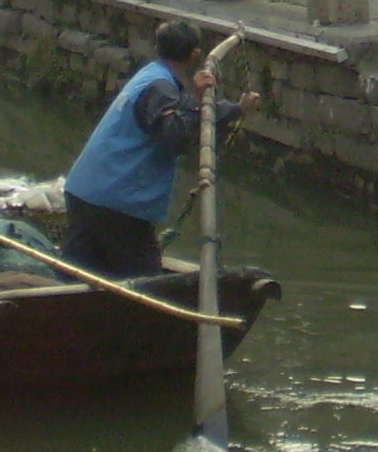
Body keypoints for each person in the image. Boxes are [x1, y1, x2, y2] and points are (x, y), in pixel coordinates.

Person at [58, 20, 259, 277]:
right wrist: (198, 98)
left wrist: (236, 109)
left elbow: (189, 112)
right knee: (144, 281)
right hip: (118, 203)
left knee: (76, 274)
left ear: (158, 47)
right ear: (195, 54)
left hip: (84, 190)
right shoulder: (160, 87)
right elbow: (174, 133)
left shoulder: (152, 76)